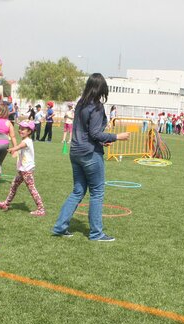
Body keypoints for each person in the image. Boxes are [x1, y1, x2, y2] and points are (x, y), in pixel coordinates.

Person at [52, 73, 130, 241]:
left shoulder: (81, 104)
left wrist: (102, 141)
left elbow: (88, 132)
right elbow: (95, 133)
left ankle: (60, 227)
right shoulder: (96, 107)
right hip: (89, 154)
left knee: (78, 191)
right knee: (97, 192)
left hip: (76, 152)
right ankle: (96, 233)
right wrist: (117, 137)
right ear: (102, 89)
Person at [0, 120, 45, 216]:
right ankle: (6, 203)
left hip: (26, 170)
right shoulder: (25, 140)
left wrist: (10, 149)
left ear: (29, 131)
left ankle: (41, 209)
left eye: (23, 129)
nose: (20, 130)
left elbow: (19, 147)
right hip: (22, 170)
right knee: (14, 186)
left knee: (32, 189)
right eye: (20, 128)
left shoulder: (27, 141)